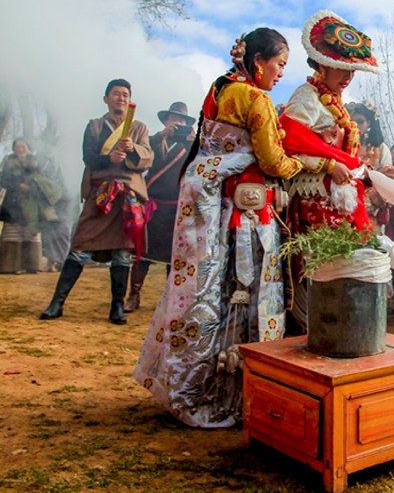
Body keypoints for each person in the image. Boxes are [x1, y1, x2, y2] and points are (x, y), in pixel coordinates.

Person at [134, 28, 302, 428]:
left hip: (209, 205)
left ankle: (191, 382)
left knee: (206, 292)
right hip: (240, 215)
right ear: (258, 61)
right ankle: (232, 391)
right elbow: (272, 160)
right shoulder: (256, 99)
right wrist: (301, 163)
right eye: (279, 64)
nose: (281, 73)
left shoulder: (220, 88)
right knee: (242, 293)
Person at [281, 10, 381, 329]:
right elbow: (287, 142)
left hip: (339, 202)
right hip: (314, 202)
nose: (348, 77)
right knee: (320, 266)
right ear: (322, 65)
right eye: (341, 68)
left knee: (345, 266)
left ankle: (343, 329)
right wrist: (327, 164)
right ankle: (313, 330)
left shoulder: (336, 102)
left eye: (352, 70)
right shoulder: (306, 97)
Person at [39, 79, 153, 324]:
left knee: (122, 253)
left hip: (128, 195)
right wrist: (109, 158)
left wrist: (132, 149)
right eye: (116, 93)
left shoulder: (139, 128)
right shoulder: (94, 126)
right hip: (100, 194)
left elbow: (148, 157)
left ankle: (117, 307)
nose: (121, 98)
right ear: (106, 99)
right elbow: (88, 156)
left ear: (129, 100)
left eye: (125, 94)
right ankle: (57, 303)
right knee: (80, 247)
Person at [125, 102, 196, 313]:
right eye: (174, 119)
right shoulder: (154, 141)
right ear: (166, 121)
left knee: (174, 257)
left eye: (182, 120)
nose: (178, 123)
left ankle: (170, 300)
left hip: (178, 208)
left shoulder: (190, 145)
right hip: (154, 206)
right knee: (142, 254)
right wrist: (161, 135)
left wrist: (195, 143)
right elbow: (140, 156)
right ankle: (134, 295)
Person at [0, 138, 62, 273]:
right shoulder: (8, 161)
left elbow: (43, 179)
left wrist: (31, 186)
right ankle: (10, 266)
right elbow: (3, 179)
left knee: (31, 233)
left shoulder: (35, 161)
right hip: (13, 202)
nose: (20, 149)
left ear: (28, 148)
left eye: (23, 147)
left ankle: (32, 266)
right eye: (17, 147)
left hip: (32, 201)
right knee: (12, 233)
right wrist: (18, 185)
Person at [348, 101, 392, 169]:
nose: (355, 125)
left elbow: (388, 172)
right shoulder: (343, 143)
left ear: (368, 123)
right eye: (352, 121)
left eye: (360, 121)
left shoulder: (381, 149)